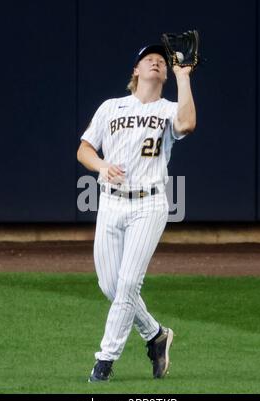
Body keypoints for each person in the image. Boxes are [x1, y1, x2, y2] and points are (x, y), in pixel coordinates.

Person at [77, 43, 196, 382]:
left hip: (149, 203)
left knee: (129, 282)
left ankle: (104, 361)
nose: (156, 62)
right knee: (110, 285)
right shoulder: (111, 107)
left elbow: (187, 124)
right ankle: (156, 334)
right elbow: (84, 149)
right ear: (136, 71)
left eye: (161, 60)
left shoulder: (169, 108)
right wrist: (101, 165)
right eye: (149, 59)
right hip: (111, 202)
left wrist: (183, 76)